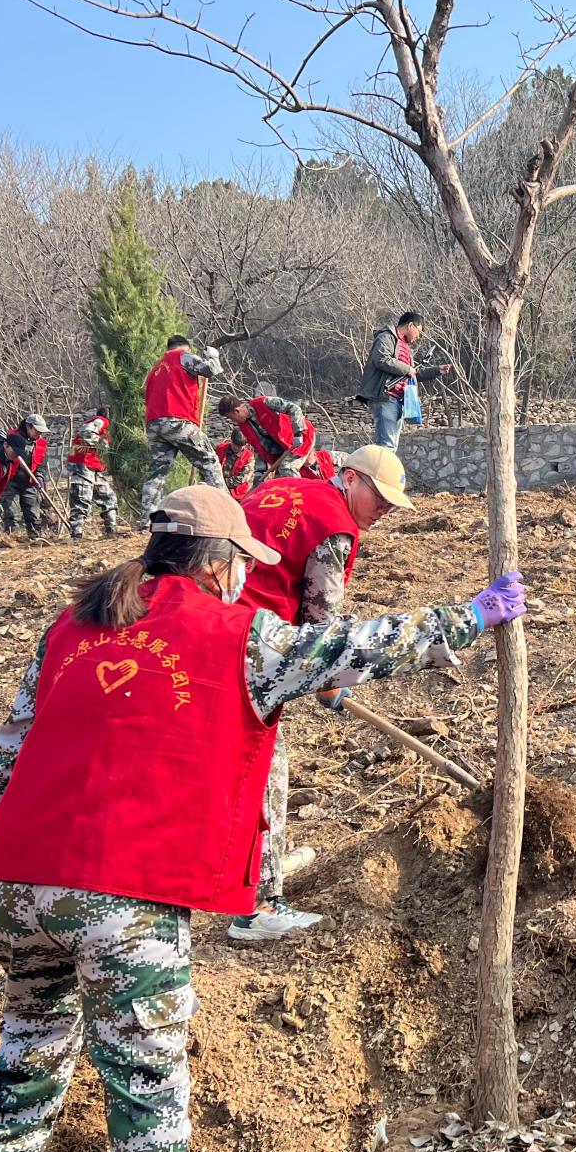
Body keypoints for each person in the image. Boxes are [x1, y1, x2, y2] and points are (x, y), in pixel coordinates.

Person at [0, 484, 527, 1152]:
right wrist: (469, 617)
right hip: (123, 893)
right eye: (243, 564)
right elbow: (355, 644)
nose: (246, 576)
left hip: (19, 880)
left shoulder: (73, 625)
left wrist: (12, 850)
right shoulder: (240, 636)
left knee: (35, 1020)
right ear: (220, 565)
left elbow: (1, 757)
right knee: (147, 1090)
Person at [227, 445, 425, 941]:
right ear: (350, 478)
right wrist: (329, 681)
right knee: (263, 768)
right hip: (246, 649)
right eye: (379, 497)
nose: (384, 510)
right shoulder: (334, 525)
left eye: (391, 503)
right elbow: (324, 629)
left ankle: (231, 876)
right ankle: (257, 907)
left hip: (210, 623)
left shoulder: (283, 486)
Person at [141, 334, 226, 522]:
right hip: (178, 420)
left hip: (154, 424)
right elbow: (211, 369)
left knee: (157, 473)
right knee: (210, 461)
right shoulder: (183, 356)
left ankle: (147, 519)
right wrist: (213, 356)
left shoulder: (156, 368)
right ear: (185, 347)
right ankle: (226, 512)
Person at [352, 311, 452, 449]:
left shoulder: (404, 346)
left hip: (397, 400)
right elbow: (381, 359)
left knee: (391, 445)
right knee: (387, 445)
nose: (418, 336)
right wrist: (407, 369)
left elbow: (413, 373)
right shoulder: (386, 337)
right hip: (385, 396)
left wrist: (437, 370)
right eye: (419, 332)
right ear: (410, 325)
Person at [220, 393, 315, 481]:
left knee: (287, 468)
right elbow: (259, 448)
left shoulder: (263, 403)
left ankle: (296, 493)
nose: (233, 421)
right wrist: (259, 472)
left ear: (237, 411)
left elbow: (294, 408)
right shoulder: (244, 427)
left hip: (301, 439)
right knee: (278, 481)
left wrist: (298, 432)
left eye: (231, 417)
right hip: (283, 451)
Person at [66, 411, 119, 539]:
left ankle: (111, 531)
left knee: (108, 497)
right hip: (83, 464)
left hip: (94, 466)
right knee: (82, 498)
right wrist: (106, 446)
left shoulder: (101, 425)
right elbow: (86, 433)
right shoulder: (100, 421)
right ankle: (76, 534)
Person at [0, 414, 51, 537]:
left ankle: (36, 539)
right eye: (37, 430)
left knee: (33, 515)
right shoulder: (10, 438)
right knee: (12, 515)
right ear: (28, 426)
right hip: (10, 482)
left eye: (41, 431)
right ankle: (12, 539)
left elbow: (41, 465)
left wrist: (39, 477)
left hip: (29, 482)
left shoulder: (41, 444)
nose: (39, 434)